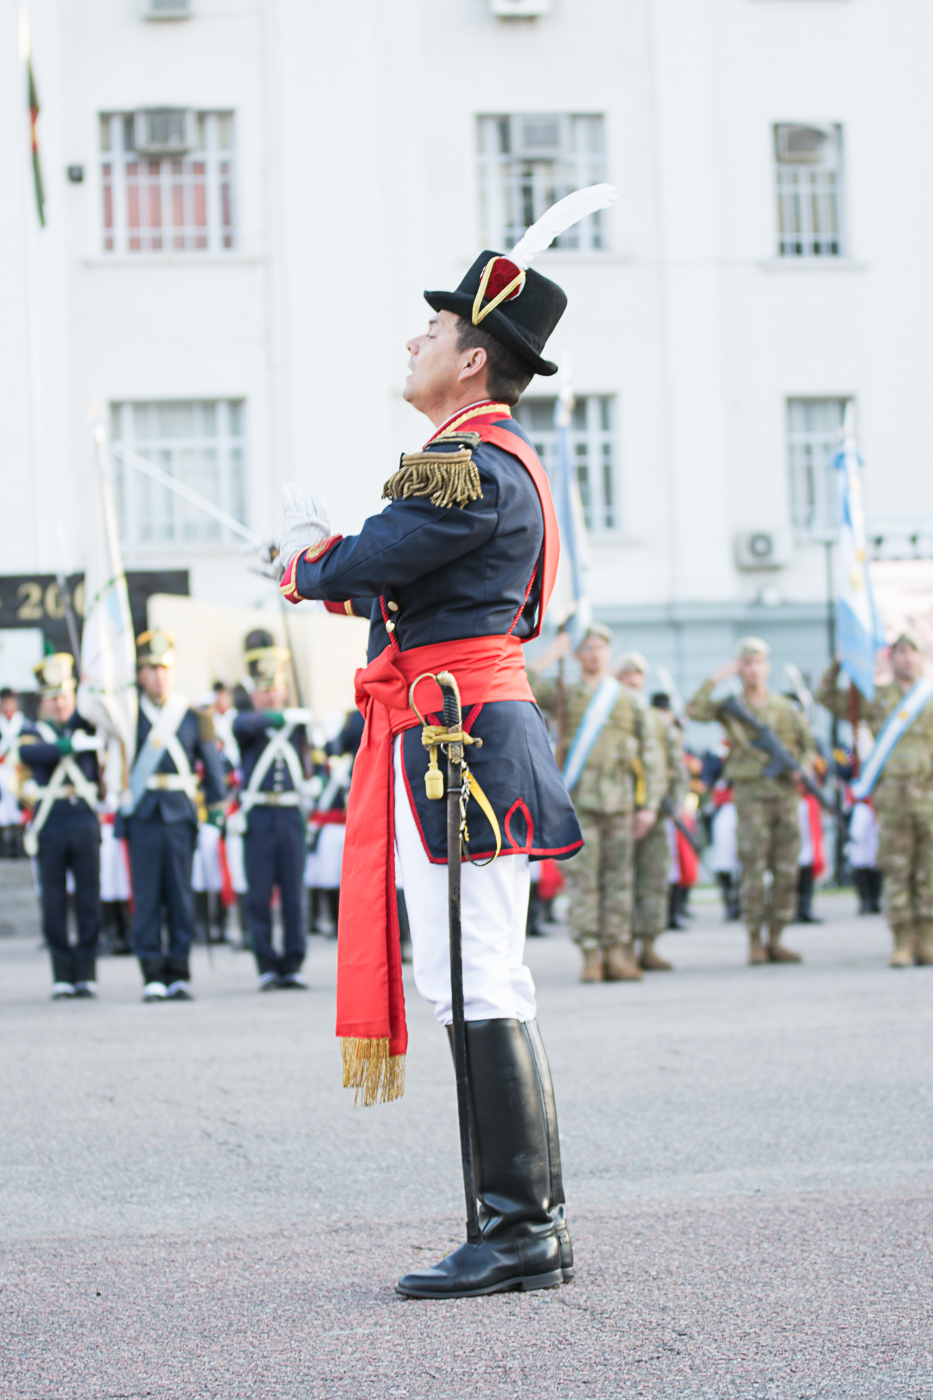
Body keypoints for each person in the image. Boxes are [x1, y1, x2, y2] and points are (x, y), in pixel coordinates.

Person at [260, 241, 586, 1298]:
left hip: (459, 744)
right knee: (472, 974)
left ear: (474, 360)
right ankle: (517, 1225)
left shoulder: (465, 461)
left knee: (477, 974)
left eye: (437, 329)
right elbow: (407, 586)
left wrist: (305, 561)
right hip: (461, 731)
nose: (416, 340)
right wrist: (321, 571)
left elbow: (370, 558)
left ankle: (521, 1229)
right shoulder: (486, 462)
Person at [529, 629, 663, 982]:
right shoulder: (566, 693)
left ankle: (618, 953)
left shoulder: (628, 699)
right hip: (579, 804)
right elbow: (523, 681)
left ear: (609, 652)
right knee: (583, 882)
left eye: (601, 648)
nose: (595, 654)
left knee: (620, 881)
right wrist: (551, 653)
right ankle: (591, 955)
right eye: (587, 648)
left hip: (621, 803)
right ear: (577, 655)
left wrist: (649, 805)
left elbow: (652, 755)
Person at [686, 638, 817, 964]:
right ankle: (755, 940)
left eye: (758, 662)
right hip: (750, 794)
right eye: (746, 664)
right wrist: (716, 679)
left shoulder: (784, 707)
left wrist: (801, 768)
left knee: (786, 869)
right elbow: (694, 710)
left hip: (784, 794)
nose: (753, 669)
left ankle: (777, 937)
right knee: (753, 869)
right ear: (739, 669)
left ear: (767, 667)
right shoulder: (731, 706)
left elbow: (808, 746)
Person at [117, 629, 226, 1001]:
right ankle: (152, 972)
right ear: (140, 673)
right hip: (143, 815)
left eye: (165, 668)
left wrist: (214, 817)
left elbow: (212, 770)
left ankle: (178, 972)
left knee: (180, 897)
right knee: (146, 897)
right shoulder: (127, 714)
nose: (159, 676)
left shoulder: (193, 716)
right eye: (151, 668)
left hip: (180, 817)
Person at [818, 635, 933, 966]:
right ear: (890, 658)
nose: (907, 658)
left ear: (922, 658)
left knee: (929, 869)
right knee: (897, 868)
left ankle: (927, 939)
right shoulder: (875, 697)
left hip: (928, 793)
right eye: (900, 652)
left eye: (913, 651)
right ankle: (902, 940)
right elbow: (826, 697)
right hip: (892, 795)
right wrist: (841, 662)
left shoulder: (928, 697)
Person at [18, 655, 102, 998]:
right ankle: (62, 975)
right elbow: (30, 755)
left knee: (88, 900)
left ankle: (86, 973)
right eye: (52, 697)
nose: (59, 703)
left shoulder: (88, 724)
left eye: (65, 695)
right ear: (43, 701)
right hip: (50, 823)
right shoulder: (31, 731)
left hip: (84, 820)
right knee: (53, 902)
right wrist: (68, 746)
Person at [230, 632, 310, 990]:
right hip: (259, 815)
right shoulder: (247, 722)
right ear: (255, 694)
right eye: (265, 689)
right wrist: (277, 716)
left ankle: (292, 962)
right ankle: (265, 962)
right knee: (259, 894)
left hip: (290, 815)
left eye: (276, 687)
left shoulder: (298, 722)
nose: (272, 695)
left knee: (293, 893)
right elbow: (244, 726)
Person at [616, 658, 689, 971]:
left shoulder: (659, 720)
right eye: (626, 673)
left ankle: (648, 945)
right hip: (617, 810)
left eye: (637, 674)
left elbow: (676, 764)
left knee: (654, 879)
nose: (632, 679)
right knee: (620, 881)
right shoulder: (609, 716)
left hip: (656, 810)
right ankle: (622, 948)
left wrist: (674, 802)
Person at [0, 687, 25, 857]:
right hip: (1, 769)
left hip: (18, 770)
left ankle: (19, 844)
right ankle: (4, 846)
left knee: (19, 805)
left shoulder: (22, 722)